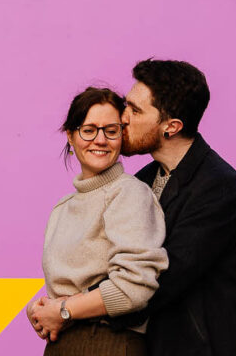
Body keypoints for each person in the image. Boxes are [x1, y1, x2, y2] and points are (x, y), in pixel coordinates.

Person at [123, 59, 236, 356]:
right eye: (125, 105)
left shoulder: (219, 187)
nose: (123, 117)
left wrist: (74, 309)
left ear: (172, 126)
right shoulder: (142, 179)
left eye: (135, 110)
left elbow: (164, 276)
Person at [26, 86, 167, 356]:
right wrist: (38, 308)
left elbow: (134, 286)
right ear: (71, 135)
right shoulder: (63, 207)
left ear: (121, 136)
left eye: (110, 130)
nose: (100, 140)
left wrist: (65, 311)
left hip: (108, 342)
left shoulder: (129, 192)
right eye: (89, 130)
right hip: (63, 344)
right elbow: (63, 287)